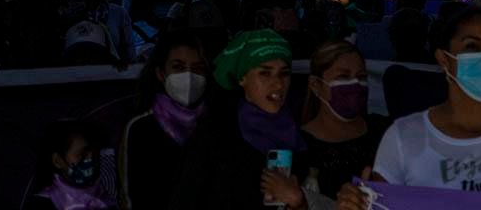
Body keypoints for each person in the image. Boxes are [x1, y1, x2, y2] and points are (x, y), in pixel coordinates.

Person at [336, 8, 481, 209]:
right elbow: (381, 204)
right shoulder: (403, 136)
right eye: (472, 47)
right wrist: (357, 204)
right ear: (444, 60)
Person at [171, 29, 311, 210]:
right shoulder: (215, 135)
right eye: (265, 73)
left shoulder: (302, 131)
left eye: (284, 73)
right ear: (242, 78)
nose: (278, 84)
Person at [121, 30, 210, 210]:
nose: (189, 76)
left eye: (197, 68)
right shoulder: (141, 128)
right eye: (178, 67)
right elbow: (133, 198)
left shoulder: (214, 123)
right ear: (161, 73)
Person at [300, 42, 385, 199]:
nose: (355, 83)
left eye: (361, 77)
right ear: (315, 85)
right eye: (343, 77)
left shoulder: (385, 132)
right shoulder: (298, 145)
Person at [28, 119, 117, 210]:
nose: (91, 159)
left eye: (94, 153)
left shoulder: (111, 189)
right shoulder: (42, 203)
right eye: (82, 154)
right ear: (58, 161)